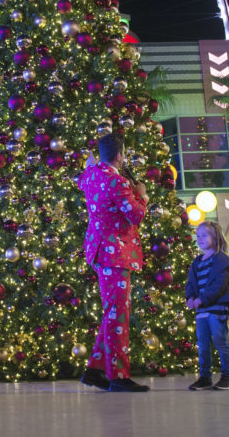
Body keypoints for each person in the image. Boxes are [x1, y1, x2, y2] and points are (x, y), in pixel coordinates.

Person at [76, 133, 149, 393]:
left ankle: (94, 371)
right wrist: (142, 196)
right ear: (119, 155)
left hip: (98, 250)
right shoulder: (116, 182)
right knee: (118, 314)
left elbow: (83, 177)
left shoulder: (91, 175)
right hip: (115, 253)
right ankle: (118, 376)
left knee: (113, 311)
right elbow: (136, 215)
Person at [186, 220, 229, 390]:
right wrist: (190, 297)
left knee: (220, 341)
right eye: (198, 236)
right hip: (202, 310)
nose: (200, 239)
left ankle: (227, 376)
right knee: (202, 344)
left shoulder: (222, 261)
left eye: (204, 235)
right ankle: (205, 377)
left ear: (215, 237)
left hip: (217, 308)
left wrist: (201, 299)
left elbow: (219, 285)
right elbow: (191, 283)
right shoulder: (197, 262)